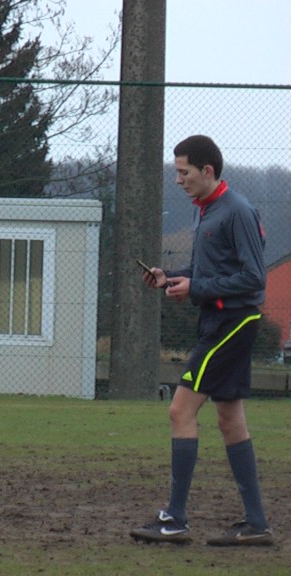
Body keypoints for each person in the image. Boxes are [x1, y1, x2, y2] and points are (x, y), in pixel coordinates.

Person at [130, 135, 272, 546]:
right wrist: (170, 277)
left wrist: (194, 287)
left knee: (180, 410)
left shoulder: (237, 211)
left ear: (207, 171)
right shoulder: (206, 211)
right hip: (219, 319)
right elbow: (207, 269)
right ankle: (256, 525)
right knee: (230, 419)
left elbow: (254, 278)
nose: (178, 179)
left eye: (183, 172)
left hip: (233, 322)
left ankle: (174, 519)